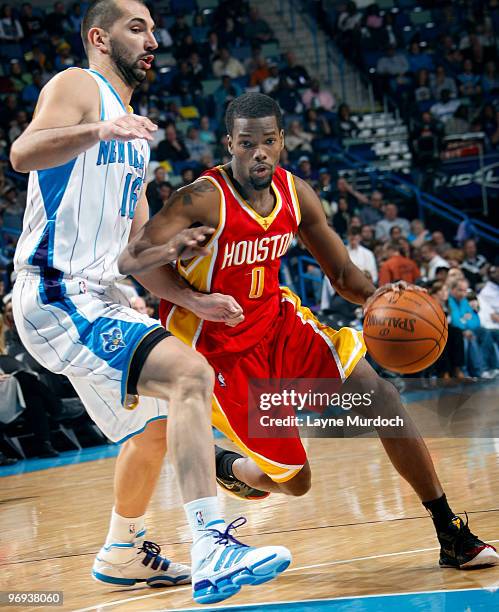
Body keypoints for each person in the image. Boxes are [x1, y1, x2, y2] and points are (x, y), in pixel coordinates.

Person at [120, 92, 499, 571]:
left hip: (280, 326)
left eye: (269, 141)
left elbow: (341, 274)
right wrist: (196, 300)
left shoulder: (295, 193)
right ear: (228, 145)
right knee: (296, 481)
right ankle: (228, 467)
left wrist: (382, 297)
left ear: (281, 142)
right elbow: (133, 259)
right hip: (220, 350)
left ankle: (449, 532)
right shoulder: (200, 199)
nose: (259, 152)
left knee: (379, 396)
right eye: (246, 143)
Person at [9, 1, 291, 604]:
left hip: (99, 292)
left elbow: (134, 253)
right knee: (191, 374)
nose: (152, 38)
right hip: (57, 291)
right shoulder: (78, 87)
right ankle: (212, 544)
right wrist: (98, 130)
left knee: (156, 425)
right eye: (137, 27)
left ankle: (123, 550)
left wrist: (193, 290)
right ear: (99, 37)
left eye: (154, 28)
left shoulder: (136, 137)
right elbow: (22, 153)